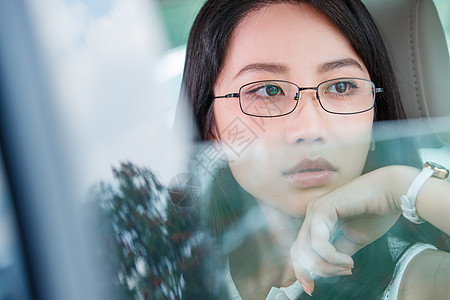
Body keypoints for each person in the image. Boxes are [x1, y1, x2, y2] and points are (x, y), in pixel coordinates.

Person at [180, 0, 450, 299]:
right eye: (268, 90)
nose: (309, 131)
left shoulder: (424, 281)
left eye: (341, 87)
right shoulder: (172, 266)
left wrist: (405, 187)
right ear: (211, 126)